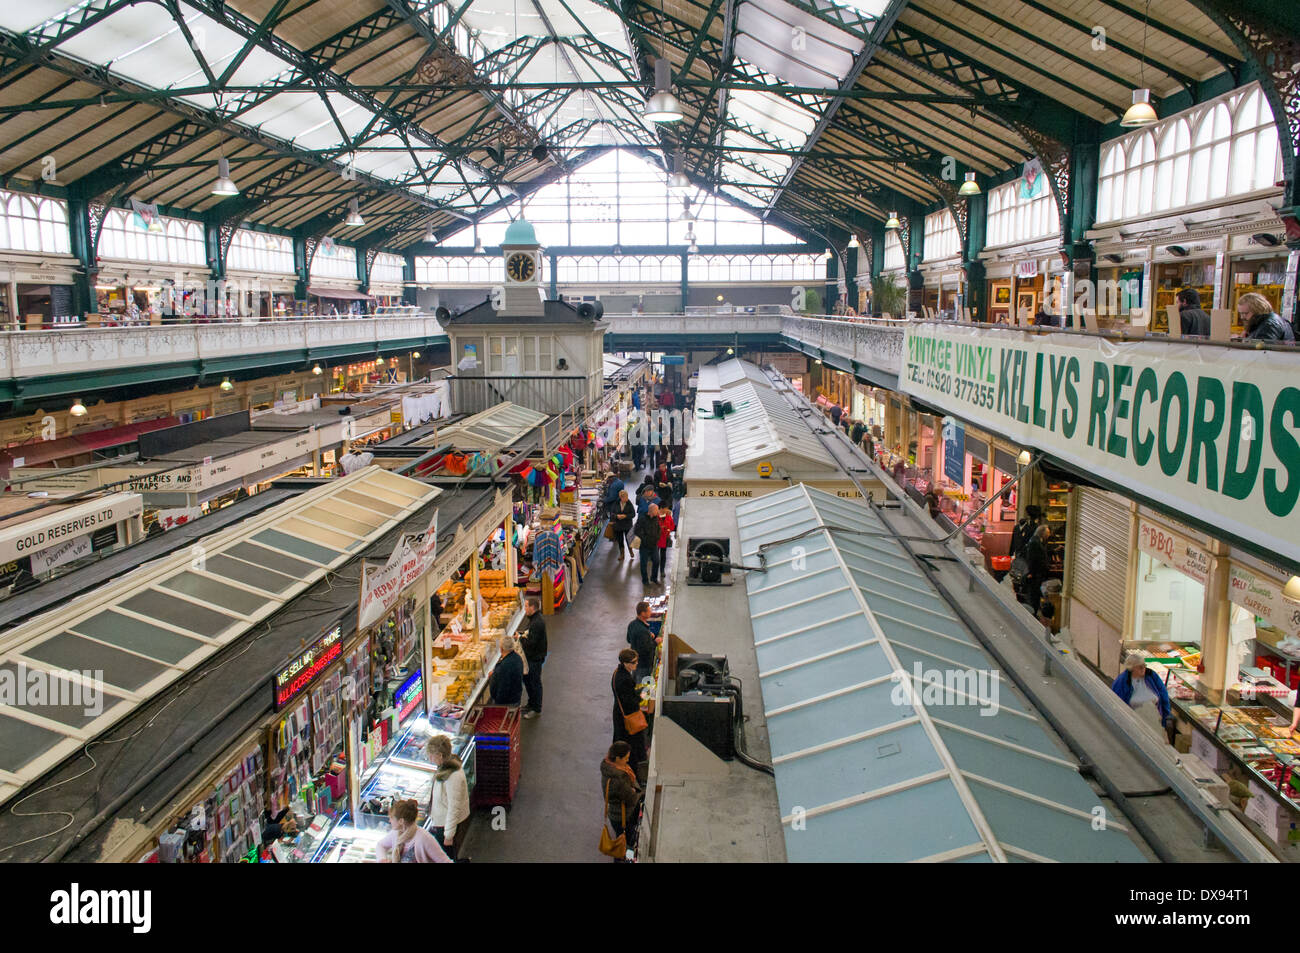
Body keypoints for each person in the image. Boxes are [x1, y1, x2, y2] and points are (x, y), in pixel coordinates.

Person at [426, 734, 471, 860]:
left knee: (447, 857)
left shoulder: (453, 776)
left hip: (447, 825)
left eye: (431, 755)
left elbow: (454, 807)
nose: (430, 759)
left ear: (440, 755)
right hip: (442, 822)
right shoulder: (444, 768)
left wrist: (448, 835)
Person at [1111, 652, 1172, 738]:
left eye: (1144, 665)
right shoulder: (1122, 682)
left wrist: (1166, 715)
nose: (1143, 668)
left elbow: (1163, 694)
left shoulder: (1151, 675)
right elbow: (1116, 702)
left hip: (1154, 721)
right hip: (1134, 723)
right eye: (1140, 667)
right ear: (1131, 668)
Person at [600, 741, 643, 860]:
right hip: (622, 817)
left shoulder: (610, 769)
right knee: (626, 844)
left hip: (616, 814)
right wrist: (635, 792)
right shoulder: (618, 779)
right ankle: (626, 859)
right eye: (626, 758)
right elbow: (631, 798)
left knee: (622, 841)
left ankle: (623, 858)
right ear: (618, 758)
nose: (627, 761)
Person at [377, 799, 451, 863]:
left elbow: (445, 861)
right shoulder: (396, 833)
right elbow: (381, 845)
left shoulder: (424, 838)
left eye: (391, 818)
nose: (389, 821)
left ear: (401, 821)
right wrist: (382, 859)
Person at [612, 648, 648, 771]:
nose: (636, 664)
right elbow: (630, 701)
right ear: (625, 663)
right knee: (630, 746)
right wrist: (643, 696)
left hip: (619, 713)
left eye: (637, 661)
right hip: (627, 718)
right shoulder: (625, 679)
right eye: (634, 662)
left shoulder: (618, 672)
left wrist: (639, 691)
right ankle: (632, 771)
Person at [518, 596, 547, 718]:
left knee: (534, 683)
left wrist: (520, 638)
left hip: (534, 658)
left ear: (532, 607)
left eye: (526, 606)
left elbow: (531, 643)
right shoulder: (533, 620)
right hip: (531, 657)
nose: (524, 608)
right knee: (529, 682)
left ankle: (536, 708)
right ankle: (530, 704)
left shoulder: (537, 623)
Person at [626, 601, 661, 683]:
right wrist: (656, 641)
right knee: (643, 688)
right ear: (643, 613)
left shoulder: (632, 624)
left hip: (635, 663)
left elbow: (628, 639)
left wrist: (648, 636)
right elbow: (646, 649)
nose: (651, 612)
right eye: (649, 611)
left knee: (635, 682)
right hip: (644, 665)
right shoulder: (643, 630)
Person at [487, 635, 524, 706]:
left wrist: (492, 677)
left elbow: (502, 689)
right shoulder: (517, 657)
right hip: (516, 697)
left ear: (501, 649)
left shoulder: (504, 666)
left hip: (506, 703)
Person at [1021, 523, 1051, 608]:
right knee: (1034, 593)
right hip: (1035, 574)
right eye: (1047, 533)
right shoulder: (1035, 542)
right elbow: (1032, 558)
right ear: (1042, 533)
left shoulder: (1038, 541)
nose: (1049, 535)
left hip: (1037, 573)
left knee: (1036, 593)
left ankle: (1034, 609)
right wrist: (1031, 572)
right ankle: (1033, 611)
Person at [634, 503, 662, 586]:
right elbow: (637, 531)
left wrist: (657, 537)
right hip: (644, 545)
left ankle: (654, 578)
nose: (658, 512)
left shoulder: (656, 518)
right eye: (657, 510)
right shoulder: (642, 519)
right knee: (644, 563)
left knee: (656, 561)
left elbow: (658, 529)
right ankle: (645, 580)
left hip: (654, 545)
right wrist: (645, 539)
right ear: (652, 511)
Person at [609, 488, 635, 559]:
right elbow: (612, 513)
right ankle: (622, 554)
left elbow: (633, 514)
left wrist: (625, 516)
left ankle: (631, 551)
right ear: (621, 497)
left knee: (628, 539)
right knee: (620, 540)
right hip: (618, 526)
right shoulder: (616, 504)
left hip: (627, 525)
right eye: (625, 497)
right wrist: (617, 516)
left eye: (627, 497)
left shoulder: (629, 504)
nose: (627, 498)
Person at [656, 503, 675, 582]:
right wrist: (661, 528)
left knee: (663, 556)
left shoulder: (668, 517)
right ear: (661, 508)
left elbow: (672, 526)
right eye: (666, 508)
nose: (667, 510)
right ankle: (655, 571)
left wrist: (668, 529)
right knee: (655, 556)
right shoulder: (656, 516)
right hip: (656, 539)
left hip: (664, 539)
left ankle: (662, 571)